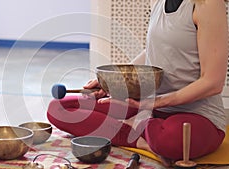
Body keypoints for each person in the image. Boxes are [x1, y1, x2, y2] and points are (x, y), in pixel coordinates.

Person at [47, 0, 228, 166]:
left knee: (170, 140)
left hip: (197, 115)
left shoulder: (209, 4)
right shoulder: (157, 1)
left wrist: (155, 103)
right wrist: (114, 81)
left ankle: (139, 124)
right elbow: (152, 52)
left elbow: (213, 82)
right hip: (151, 108)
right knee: (60, 108)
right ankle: (140, 137)